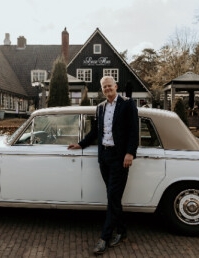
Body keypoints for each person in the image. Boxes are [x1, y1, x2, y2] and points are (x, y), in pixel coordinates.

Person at [68, 76, 139, 255]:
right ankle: (122, 231)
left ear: (116, 86)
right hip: (104, 157)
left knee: (112, 197)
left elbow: (133, 130)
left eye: (110, 86)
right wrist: (81, 144)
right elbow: (95, 131)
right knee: (113, 197)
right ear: (102, 89)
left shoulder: (128, 104)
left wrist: (130, 153)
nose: (107, 89)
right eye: (104, 87)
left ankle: (104, 238)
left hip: (120, 157)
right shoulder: (100, 107)